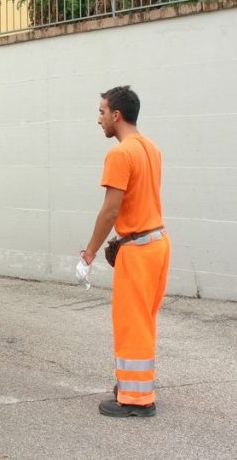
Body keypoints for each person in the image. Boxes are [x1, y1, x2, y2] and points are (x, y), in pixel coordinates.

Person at [76, 86, 170, 417]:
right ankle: (133, 384)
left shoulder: (120, 154)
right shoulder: (151, 148)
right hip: (157, 242)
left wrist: (89, 251)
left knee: (131, 323)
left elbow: (111, 210)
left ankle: (135, 399)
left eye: (101, 112)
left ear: (116, 115)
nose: (98, 119)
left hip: (139, 250)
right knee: (144, 320)